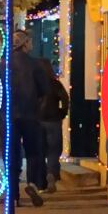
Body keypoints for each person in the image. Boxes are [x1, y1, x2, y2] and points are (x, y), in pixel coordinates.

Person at [11, 30, 49, 207]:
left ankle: (14, 193)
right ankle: (32, 182)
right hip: (30, 114)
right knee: (33, 151)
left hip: (10, 116)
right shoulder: (34, 64)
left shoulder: (3, 64)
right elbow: (45, 89)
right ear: (25, 44)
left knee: (12, 153)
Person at [38, 58, 69, 193]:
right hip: (54, 120)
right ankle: (51, 174)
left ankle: (42, 178)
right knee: (54, 151)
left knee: (40, 151)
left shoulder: (36, 85)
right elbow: (65, 98)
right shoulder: (55, 84)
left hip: (38, 121)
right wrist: (62, 112)